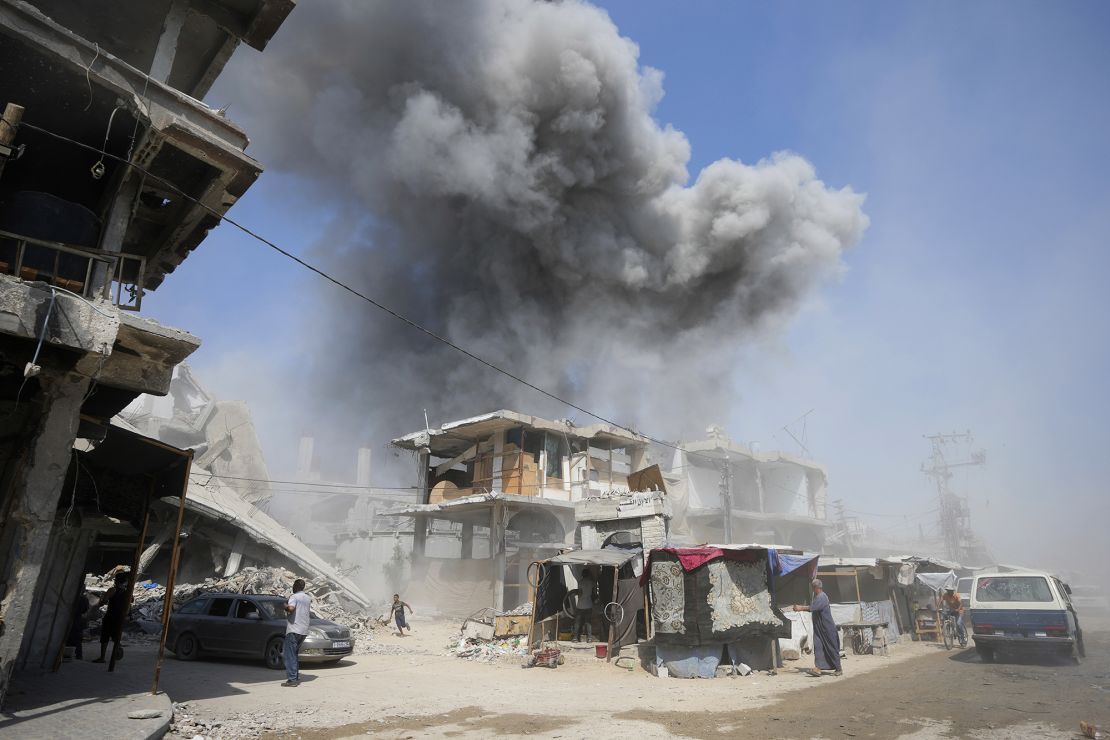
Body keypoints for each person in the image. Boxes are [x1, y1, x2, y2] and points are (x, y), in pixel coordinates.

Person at [793, 578, 842, 676]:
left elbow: (813, 608)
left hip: (827, 628)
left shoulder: (822, 597)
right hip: (819, 629)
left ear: (815, 588)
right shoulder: (818, 597)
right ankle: (818, 668)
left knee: (831, 647)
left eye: (813, 588)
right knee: (818, 647)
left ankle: (838, 669)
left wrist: (800, 608)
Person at [94, 571, 129, 664]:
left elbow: (103, 602)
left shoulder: (112, 590)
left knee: (105, 637)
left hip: (110, 616)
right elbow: (131, 602)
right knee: (115, 636)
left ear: (116, 581)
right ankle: (118, 649)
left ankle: (102, 657)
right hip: (120, 618)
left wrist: (101, 601)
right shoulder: (127, 592)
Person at [282, 578, 311, 687]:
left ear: (296, 586)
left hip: (294, 629)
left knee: (289, 655)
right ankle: (296, 677)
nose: (292, 587)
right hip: (303, 630)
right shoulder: (308, 598)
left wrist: (285, 606)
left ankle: (292, 680)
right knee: (294, 654)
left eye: (293, 585)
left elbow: (291, 609)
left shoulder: (294, 597)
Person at [67, 583, 90, 660]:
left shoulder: (74, 597)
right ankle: (78, 655)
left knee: (70, 637)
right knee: (77, 639)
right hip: (78, 620)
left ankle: (68, 654)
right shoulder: (84, 599)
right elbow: (85, 610)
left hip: (73, 619)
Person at [573, 567, 597, 642]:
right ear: (589, 574)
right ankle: (589, 638)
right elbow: (594, 592)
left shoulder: (580, 582)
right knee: (588, 622)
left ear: (582, 575)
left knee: (577, 622)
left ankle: (575, 638)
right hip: (588, 605)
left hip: (580, 605)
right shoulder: (591, 582)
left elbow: (580, 593)